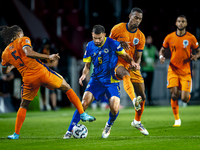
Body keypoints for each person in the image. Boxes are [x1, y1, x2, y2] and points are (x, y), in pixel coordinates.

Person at [0, 25, 96, 139]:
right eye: (21, 33)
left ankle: (16, 134)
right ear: (17, 35)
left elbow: (4, 70)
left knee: (24, 105)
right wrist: (48, 56)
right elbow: (28, 52)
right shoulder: (23, 39)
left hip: (28, 79)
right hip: (41, 73)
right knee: (67, 87)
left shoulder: (5, 53)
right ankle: (82, 114)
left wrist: (12, 67)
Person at [63, 25, 140, 139]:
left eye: (99, 38)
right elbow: (87, 65)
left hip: (111, 81)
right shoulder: (89, 46)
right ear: (92, 35)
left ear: (104, 35)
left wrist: (133, 62)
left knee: (114, 109)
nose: (97, 40)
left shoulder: (112, 43)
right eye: (95, 38)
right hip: (96, 81)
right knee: (83, 103)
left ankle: (108, 125)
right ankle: (69, 131)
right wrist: (84, 75)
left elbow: (125, 55)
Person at [109, 7, 149, 135]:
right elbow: (107, 45)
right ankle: (133, 100)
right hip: (118, 62)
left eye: (140, 19)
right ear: (130, 16)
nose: (137, 21)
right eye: (136, 17)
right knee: (125, 74)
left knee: (142, 96)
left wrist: (136, 65)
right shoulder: (117, 28)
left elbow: (138, 56)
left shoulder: (141, 36)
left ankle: (137, 122)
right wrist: (119, 42)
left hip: (130, 63)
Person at [159, 15, 200, 126]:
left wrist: (196, 56)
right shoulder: (169, 37)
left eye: (183, 21)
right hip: (173, 69)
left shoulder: (191, 38)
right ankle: (177, 119)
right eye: (179, 21)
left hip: (186, 71)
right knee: (174, 95)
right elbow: (162, 49)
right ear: (176, 23)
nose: (181, 23)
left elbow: (198, 50)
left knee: (185, 99)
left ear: (186, 24)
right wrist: (161, 57)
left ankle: (186, 94)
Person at [38, 38, 59, 111]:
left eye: (46, 45)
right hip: (43, 72)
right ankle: (44, 106)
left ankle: (54, 106)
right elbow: (38, 63)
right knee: (43, 89)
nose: (45, 46)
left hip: (52, 72)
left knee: (52, 89)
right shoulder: (41, 51)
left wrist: (45, 64)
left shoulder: (53, 50)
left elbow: (55, 64)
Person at [141, 35, 158, 105]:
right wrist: (141, 63)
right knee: (144, 86)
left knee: (150, 86)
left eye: (150, 39)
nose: (149, 41)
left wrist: (155, 62)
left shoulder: (154, 48)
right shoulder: (143, 48)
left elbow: (157, 56)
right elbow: (139, 56)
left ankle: (149, 101)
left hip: (151, 69)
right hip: (144, 70)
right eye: (148, 39)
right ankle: (142, 101)